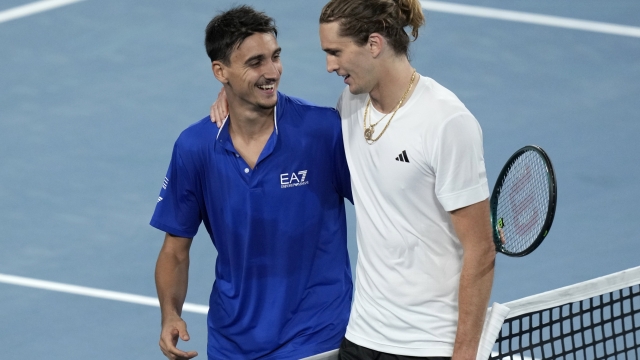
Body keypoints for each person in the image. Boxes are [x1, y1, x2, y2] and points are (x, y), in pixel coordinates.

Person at [210, 1, 496, 359]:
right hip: (363, 335)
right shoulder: (352, 104)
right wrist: (231, 91)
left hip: (428, 342)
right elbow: (283, 112)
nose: (330, 66)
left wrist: (465, 353)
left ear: (374, 44)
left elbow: (481, 251)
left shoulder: (446, 122)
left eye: (336, 53)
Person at [151, 6, 353, 360]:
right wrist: (170, 313)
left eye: (275, 57)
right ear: (220, 71)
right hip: (233, 344)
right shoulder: (195, 147)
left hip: (317, 337)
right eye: (256, 62)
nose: (272, 71)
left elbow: (383, 208)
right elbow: (174, 249)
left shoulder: (322, 132)